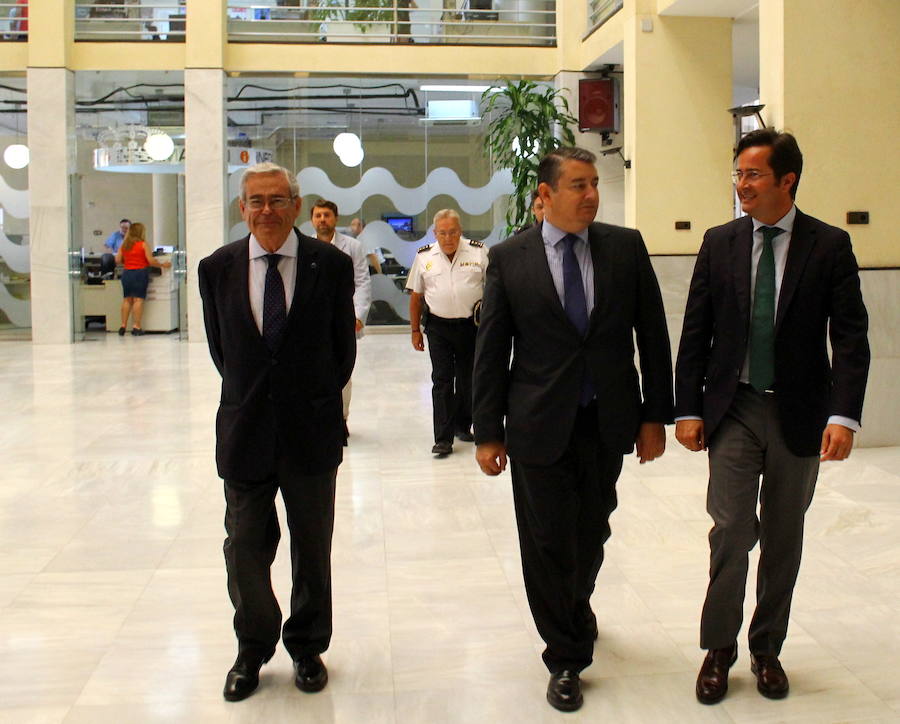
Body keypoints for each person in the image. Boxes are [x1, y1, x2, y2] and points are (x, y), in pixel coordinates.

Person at [472, 146, 673, 712]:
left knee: (591, 530)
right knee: (546, 541)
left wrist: (654, 416)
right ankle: (565, 655)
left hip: (606, 419)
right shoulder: (510, 259)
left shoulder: (624, 248)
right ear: (546, 195)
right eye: (578, 185)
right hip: (537, 423)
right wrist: (487, 432)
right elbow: (491, 352)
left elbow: (653, 334)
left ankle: (574, 605)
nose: (591, 195)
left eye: (594, 184)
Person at [674, 129, 870, 705]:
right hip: (734, 407)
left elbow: (850, 338)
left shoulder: (828, 246)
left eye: (753, 174)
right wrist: (687, 408)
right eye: (738, 174)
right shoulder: (720, 242)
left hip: (800, 412)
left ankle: (767, 648)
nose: (742, 185)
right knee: (732, 529)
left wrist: (844, 415)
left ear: (788, 180)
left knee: (784, 536)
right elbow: (695, 332)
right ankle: (719, 648)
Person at [198, 162, 356, 703]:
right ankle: (253, 644)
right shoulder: (216, 268)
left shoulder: (329, 265)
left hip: (310, 431)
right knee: (244, 546)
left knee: (311, 547)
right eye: (256, 201)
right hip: (245, 430)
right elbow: (223, 351)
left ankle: (308, 646)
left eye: (277, 200)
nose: (267, 210)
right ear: (242, 208)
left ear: (296, 205)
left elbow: (341, 352)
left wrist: (310, 400)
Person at [406, 209, 488, 456]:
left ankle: (462, 425)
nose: (448, 238)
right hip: (438, 327)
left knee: (468, 379)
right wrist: (415, 330)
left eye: (452, 232)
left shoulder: (478, 252)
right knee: (442, 380)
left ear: (460, 231)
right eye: (442, 233)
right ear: (435, 233)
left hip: (471, 326)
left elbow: (494, 289)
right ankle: (442, 438)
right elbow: (416, 297)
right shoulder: (424, 256)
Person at [311, 199, 372, 441]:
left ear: (335, 218)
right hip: (313, 321)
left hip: (343, 319)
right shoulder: (303, 247)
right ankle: (318, 420)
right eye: (318, 215)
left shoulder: (352, 246)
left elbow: (362, 281)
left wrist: (358, 316)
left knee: (342, 371)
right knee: (313, 372)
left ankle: (341, 419)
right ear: (312, 220)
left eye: (326, 215)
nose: (322, 220)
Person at [114, 222, 170, 336]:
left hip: (127, 273)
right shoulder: (143, 244)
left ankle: (123, 326)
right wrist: (162, 265)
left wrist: (129, 261)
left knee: (127, 300)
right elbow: (151, 261)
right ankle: (136, 326)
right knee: (138, 300)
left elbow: (118, 260)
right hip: (139, 273)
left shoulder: (124, 245)